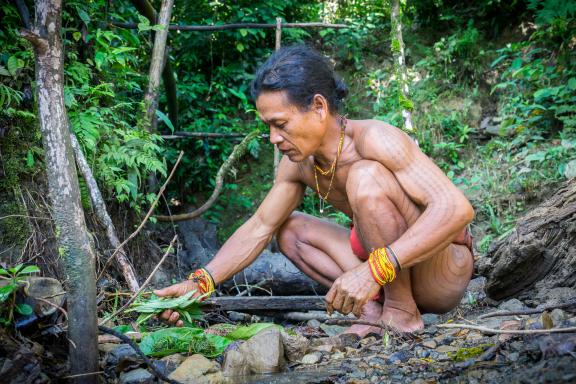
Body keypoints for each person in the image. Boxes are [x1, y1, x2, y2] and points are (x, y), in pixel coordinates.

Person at [154, 45, 475, 336]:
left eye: (280, 124)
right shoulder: (297, 165)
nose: (273, 138)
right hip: (381, 270)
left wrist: (374, 270)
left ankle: (402, 312)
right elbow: (260, 227)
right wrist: (200, 283)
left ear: (319, 107)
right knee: (289, 229)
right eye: (268, 127)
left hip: (439, 274)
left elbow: (456, 210)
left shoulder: (376, 139)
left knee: (366, 177)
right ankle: (371, 312)